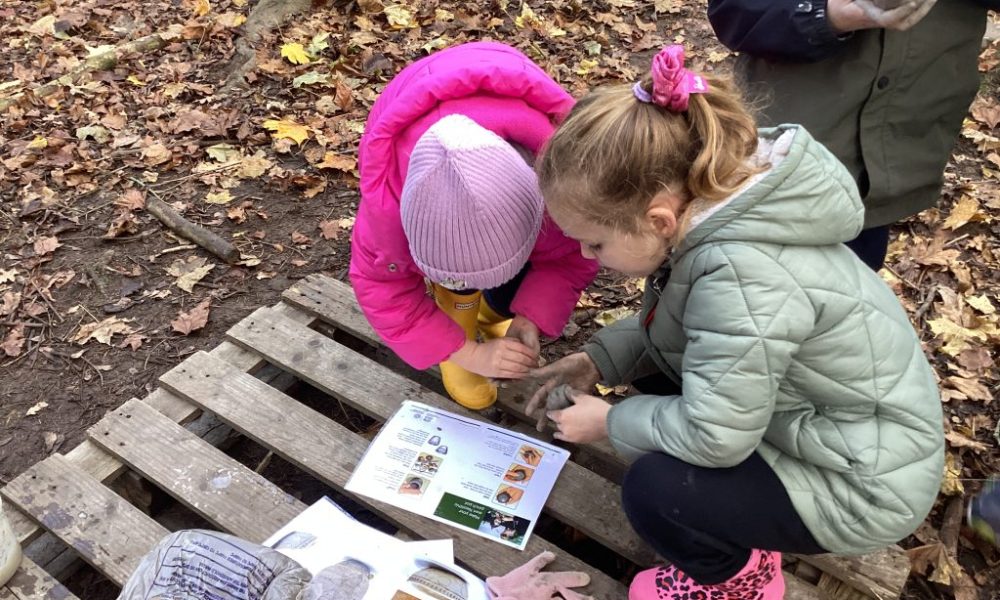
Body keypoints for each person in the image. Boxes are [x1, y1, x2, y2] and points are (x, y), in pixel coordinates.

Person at [528, 45, 944, 599]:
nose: (585, 255)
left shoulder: (742, 273)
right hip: (824, 429)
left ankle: (737, 581)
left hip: (859, 482)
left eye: (595, 241)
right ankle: (735, 525)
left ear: (657, 218)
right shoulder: (716, 216)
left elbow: (714, 435)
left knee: (654, 492)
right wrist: (596, 359)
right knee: (660, 389)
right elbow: (685, 328)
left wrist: (609, 422)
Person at [351, 42, 599, 410]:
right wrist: (464, 352)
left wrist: (531, 317)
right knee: (457, 286)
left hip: (495, 86)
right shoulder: (387, 211)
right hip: (412, 102)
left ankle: (491, 314)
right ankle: (460, 329)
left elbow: (569, 257)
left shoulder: (564, 184)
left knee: (516, 274)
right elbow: (382, 290)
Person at [706, 0, 999, 270]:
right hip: (778, 159)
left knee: (850, 292)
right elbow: (733, 10)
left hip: (886, 170)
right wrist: (825, 14)